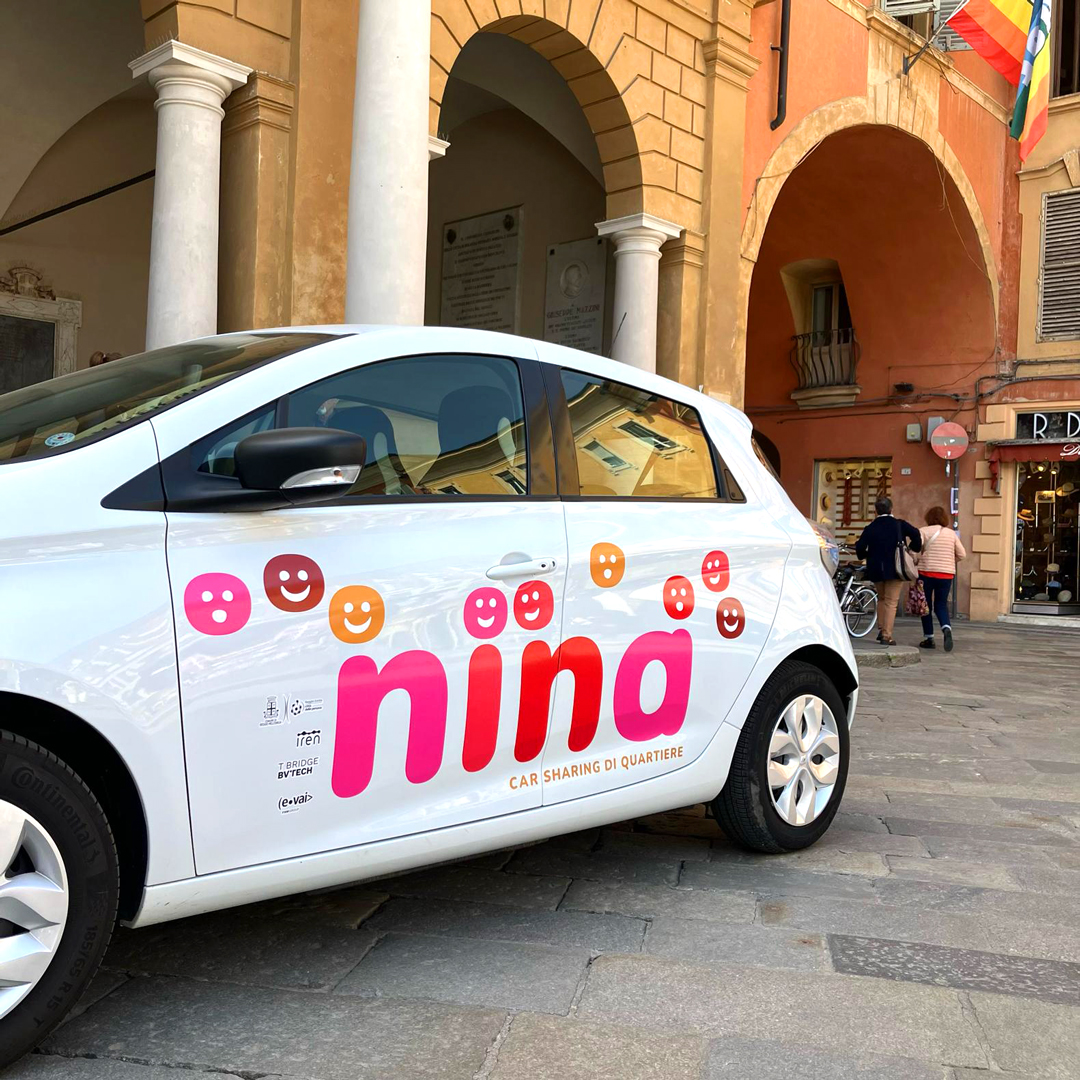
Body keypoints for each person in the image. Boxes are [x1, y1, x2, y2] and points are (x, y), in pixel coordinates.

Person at [855, 496, 922, 646]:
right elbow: (916, 534)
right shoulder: (899, 524)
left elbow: (860, 547)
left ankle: (881, 629)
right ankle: (886, 635)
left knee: (882, 598)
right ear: (891, 509)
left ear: (875, 511)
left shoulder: (871, 527)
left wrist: (866, 555)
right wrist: (912, 548)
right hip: (895, 568)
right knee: (891, 602)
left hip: (876, 568)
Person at [917, 506, 966, 652]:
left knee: (925, 606)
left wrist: (917, 560)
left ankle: (929, 638)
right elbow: (962, 555)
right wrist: (949, 562)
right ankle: (946, 628)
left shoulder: (923, 531)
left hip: (926, 573)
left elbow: (915, 550)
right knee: (941, 604)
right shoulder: (951, 534)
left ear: (928, 517)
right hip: (946, 575)